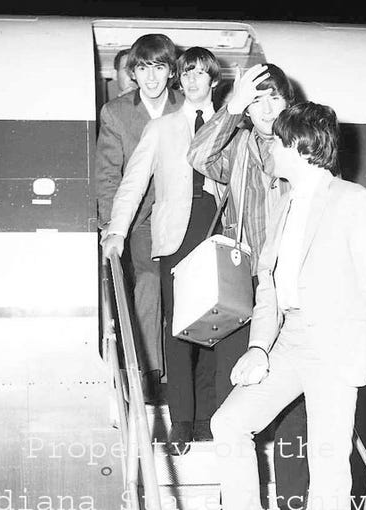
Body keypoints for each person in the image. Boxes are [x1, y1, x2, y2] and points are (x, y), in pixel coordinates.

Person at [210, 102, 366, 510]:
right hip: (290, 340)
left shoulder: (353, 201)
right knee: (228, 423)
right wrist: (258, 348)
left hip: (334, 348)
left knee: (328, 471)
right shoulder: (284, 203)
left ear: (299, 147)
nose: (269, 149)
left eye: (276, 142)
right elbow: (267, 285)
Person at [103, 47, 246, 454]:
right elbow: (133, 183)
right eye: (186, 74)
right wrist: (117, 230)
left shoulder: (234, 125)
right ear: (179, 80)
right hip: (176, 236)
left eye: (200, 73)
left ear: (214, 81)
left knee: (219, 324)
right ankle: (181, 421)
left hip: (220, 230)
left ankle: (208, 419)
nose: (192, 81)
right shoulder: (161, 127)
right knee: (179, 327)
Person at [187, 63, 309, 508]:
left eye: (274, 97)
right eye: (256, 100)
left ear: (288, 102)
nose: (267, 109)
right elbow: (198, 157)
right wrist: (232, 108)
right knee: (231, 396)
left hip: (291, 287)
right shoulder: (237, 144)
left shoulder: (303, 147)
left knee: (294, 407)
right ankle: (234, 498)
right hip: (244, 288)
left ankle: (294, 500)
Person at [96, 34, 182, 401]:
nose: (151, 78)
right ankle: (150, 375)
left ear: (171, 71)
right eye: (143, 69)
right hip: (140, 218)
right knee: (148, 279)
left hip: (182, 212)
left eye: (158, 68)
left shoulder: (186, 105)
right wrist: (111, 229)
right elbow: (107, 175)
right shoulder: (116, 113)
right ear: (133, 73)